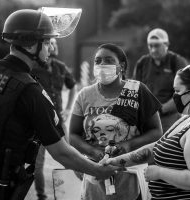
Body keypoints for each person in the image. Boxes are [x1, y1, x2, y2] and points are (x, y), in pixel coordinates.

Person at [0, 9, 118, 200]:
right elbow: (61, 152)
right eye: (46, 43)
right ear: (31, 46)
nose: (50, 49)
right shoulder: (30, 90)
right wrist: (98, 170)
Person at [106, 65, 190, 199]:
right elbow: (156, 148)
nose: (174, 96)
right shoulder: (188, 118)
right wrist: (116, 162)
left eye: (178, 91)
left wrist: (160, 173)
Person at [69, 43, 163, 200]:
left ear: (122, 66)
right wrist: (93, 152)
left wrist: (127, 146)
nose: (102, 65)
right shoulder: (84, 95)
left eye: (108, 60)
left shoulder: (137, 90)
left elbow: (156, 132)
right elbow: (73, 135)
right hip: (95, 174)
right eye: (98, 61)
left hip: (129, 177)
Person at [31, 38, 77, 200]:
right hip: (38, 122)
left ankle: (70, 193)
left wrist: (68, 108)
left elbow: (73, 87)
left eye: (55, 44)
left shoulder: (61, 67)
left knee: (70, 157)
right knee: (37, 164)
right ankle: (42, 196)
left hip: (59, 121)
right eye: (49, 43)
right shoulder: (33, 68)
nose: (53, 46)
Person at [133, 28, 188, 133]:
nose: (153, 49)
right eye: (150, 46)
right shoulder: (142, 63)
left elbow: (183, 93)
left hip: (170, 118)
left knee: (166, 147)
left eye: (157, 45)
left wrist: (161, 109)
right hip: (146, 118)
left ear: (166, 44)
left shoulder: (177, 62)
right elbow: (135, 90)